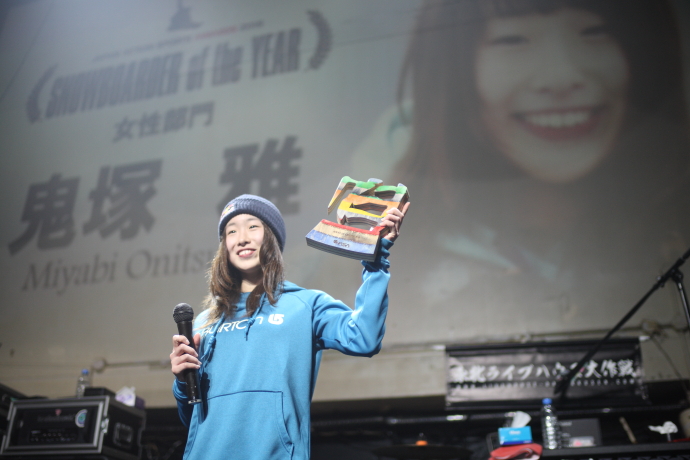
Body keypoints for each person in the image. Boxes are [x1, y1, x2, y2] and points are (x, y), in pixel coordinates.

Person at [345, 0, 690, 337]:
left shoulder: (673, 220)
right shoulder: (382, 178)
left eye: (595, 33)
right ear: (455, 69)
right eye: (513, 40)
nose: (561, 77)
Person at [169, 194, 409, 460]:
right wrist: (182, 382)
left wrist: (376, 261)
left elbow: (364, 338)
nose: (242, 238)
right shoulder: (205, 322)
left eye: (253, 227)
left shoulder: (305, 305)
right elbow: (193, 417)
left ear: (271, 238)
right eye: (231, 231)